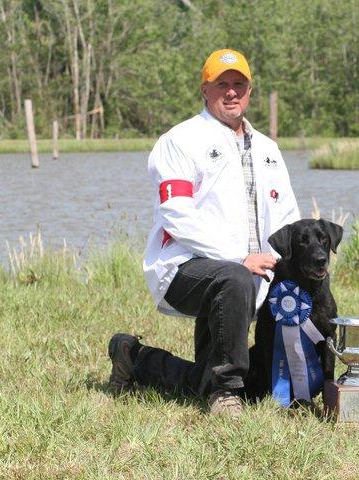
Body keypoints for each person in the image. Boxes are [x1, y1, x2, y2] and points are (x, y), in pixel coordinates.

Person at [107, 49, 300, 416]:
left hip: (249, 272)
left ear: (250, 91)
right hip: (184, 268)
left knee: (237, 380)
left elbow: (287, 217)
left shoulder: (269, 149)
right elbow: (176, 214)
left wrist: (292, 266)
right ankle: (225, 392)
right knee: (234, 278)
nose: (231, 92)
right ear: (204, 90)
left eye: (239, 84)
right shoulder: (179, 140)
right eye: (221, 85)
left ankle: (136, 358)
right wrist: (238, 256)